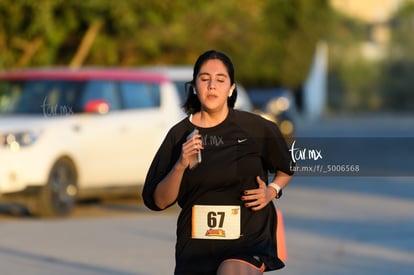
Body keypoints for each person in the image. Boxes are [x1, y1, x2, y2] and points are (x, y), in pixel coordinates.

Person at [142, 50, 294, 275]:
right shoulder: (179, 135)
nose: (212, 85)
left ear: (231, 88)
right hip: (196, 246)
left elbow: (286, 168)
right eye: (204, 79)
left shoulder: (256, 128)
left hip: (248, 237)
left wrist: (272, 191)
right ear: (194, 86)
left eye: (220, 80)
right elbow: (159, 201)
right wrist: (180, 164)